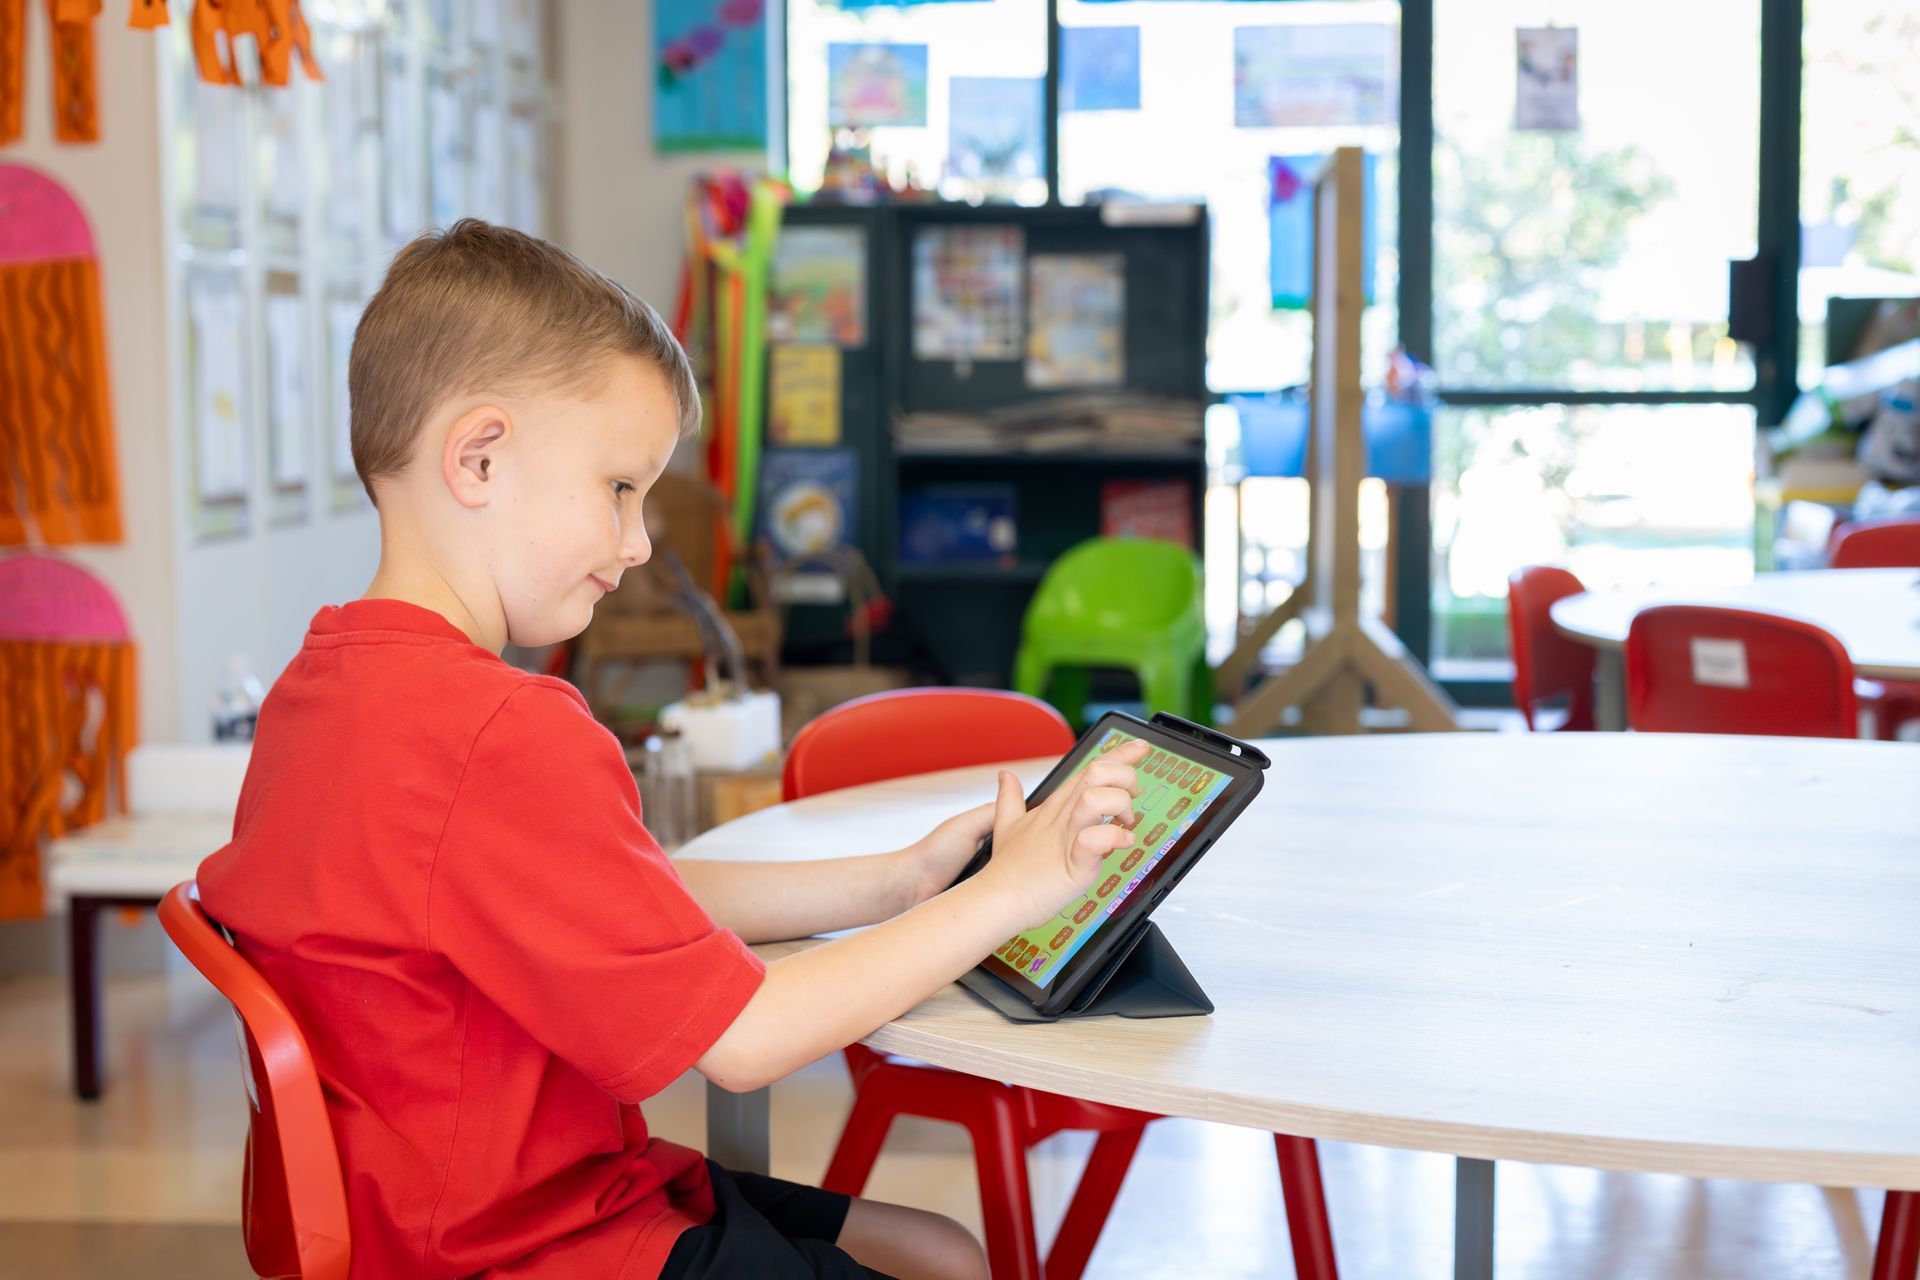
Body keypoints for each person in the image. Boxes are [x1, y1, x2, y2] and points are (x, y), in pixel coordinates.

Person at [198, 220, 1147, 1280]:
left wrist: (900, 880)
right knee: (942, 1258)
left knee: (937, 1247)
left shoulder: (325, 685)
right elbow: (746, 1036)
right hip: (524, 1244)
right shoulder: (500, 730)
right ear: (478, 457)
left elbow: (621, 896)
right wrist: (1005, 895)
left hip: (444, 1214)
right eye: (618, 488)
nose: (642, 541)